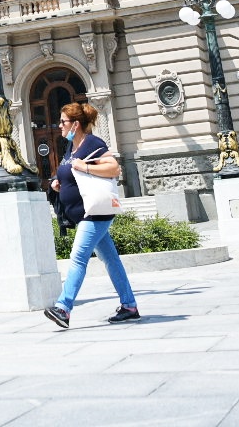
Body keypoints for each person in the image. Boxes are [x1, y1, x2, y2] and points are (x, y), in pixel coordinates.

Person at [42, 102, 140, 329]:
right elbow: (71, 171)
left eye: (63, 122)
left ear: (75, 124)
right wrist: (60, 183)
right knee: (111, 260)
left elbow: (114, 168)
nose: (59, 126)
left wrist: (85, 168)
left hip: (95, 212)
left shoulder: (93, 143)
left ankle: (63, 308)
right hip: (83, 213)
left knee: (78, 257)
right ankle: (130, 306)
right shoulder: (71, 148)